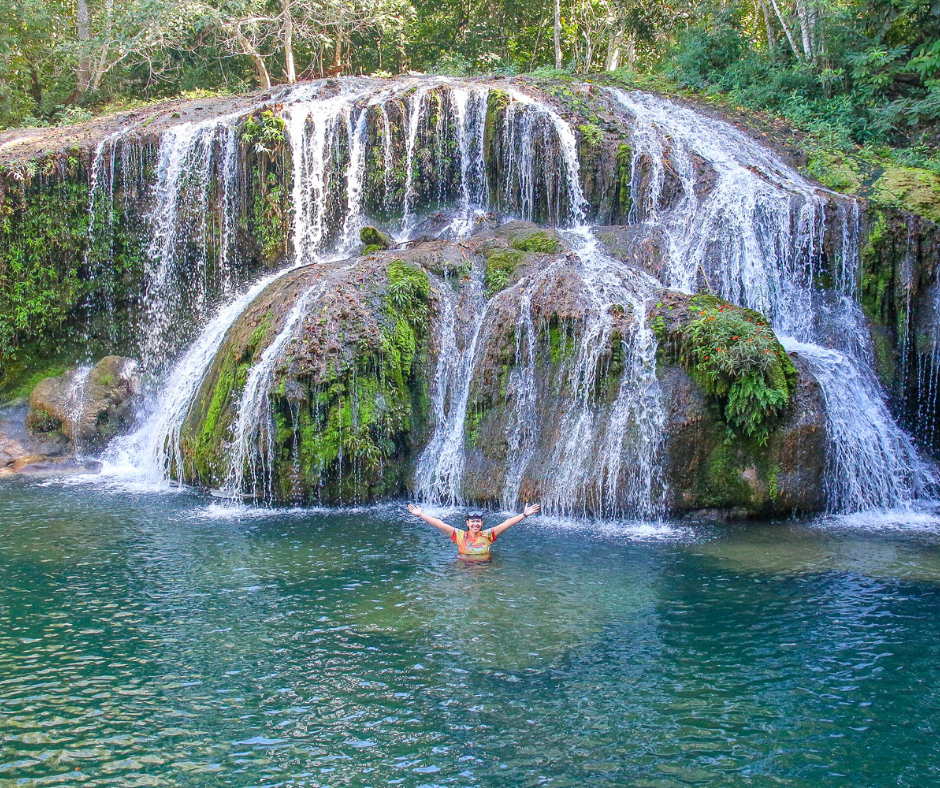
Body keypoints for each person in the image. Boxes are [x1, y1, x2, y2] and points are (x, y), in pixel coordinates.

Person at [406, 502, 541, 559]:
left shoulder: (488, 535)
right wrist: (421, 514)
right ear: (467, 523)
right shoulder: (459, 535)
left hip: (485, 567)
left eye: (478, 522)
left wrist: (524, 515)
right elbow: (440, 524)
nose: (475, 524)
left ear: (481, 523)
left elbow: (507, 523)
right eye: (473, 522)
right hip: (464, 567)